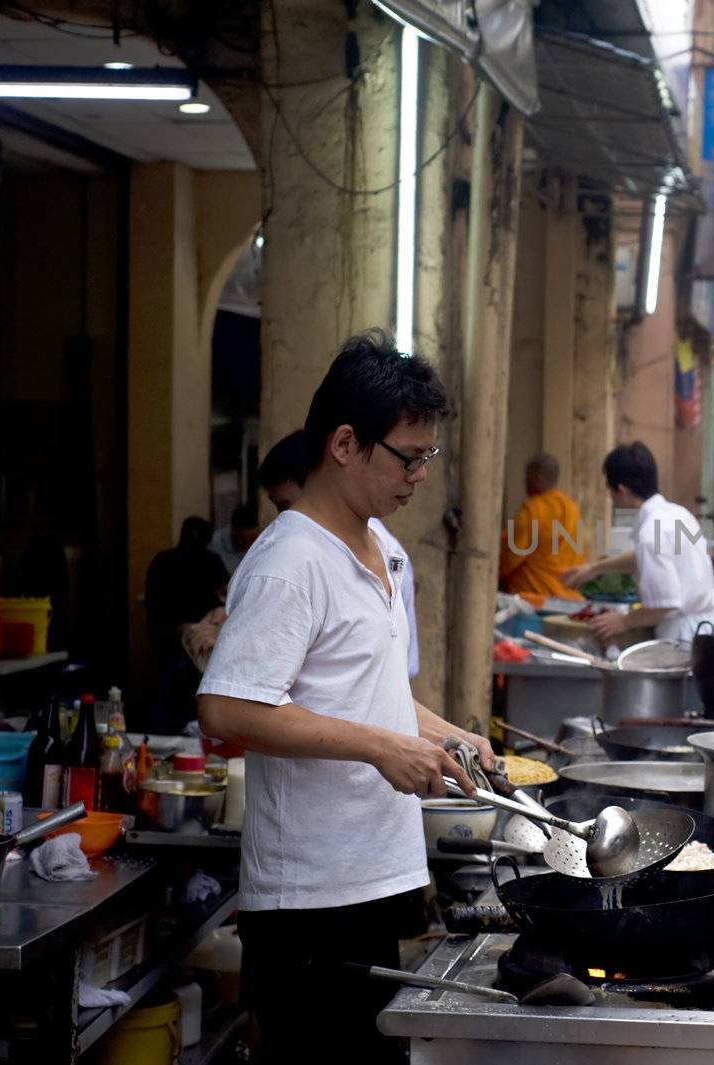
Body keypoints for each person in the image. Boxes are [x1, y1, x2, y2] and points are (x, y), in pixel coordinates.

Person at [196, 331, 494, 1064]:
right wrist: (379, 746)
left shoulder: (385, 550)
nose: (419, 474)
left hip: (372, 877)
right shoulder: (290, 562)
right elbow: (227, 708)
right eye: (407, 456)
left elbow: (377, 693)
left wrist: (449, 733)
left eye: (429, 456)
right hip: (306, 902)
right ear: (343, 443)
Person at [185, 431, 422, 680]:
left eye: (287, 506)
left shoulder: (384, 558)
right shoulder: (291, 557)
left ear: (319, 484)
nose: (284, 520)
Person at [560, 442, 714, 644]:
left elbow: (665, 604)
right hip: (711, 627)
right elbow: (645, 556)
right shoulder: (678, 514)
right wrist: (595, 568)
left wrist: (624, 621)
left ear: (621, 490)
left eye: (610, 491)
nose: (610, 497)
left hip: (685, 639)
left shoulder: (651, 532)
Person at [144, 516, 230, 734]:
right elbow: (229, 595)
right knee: (195, 708)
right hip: (201, 645)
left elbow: (152, 604)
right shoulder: (211, 561)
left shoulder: (161, 560)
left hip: (167, 642)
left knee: (165, 706)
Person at [498, 452, 586, 602]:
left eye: (527, 476)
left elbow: (512, 556)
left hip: (534, 598)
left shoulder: (533, 510)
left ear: (537, 478)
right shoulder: (573, 509)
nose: (525, 481)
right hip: (568, 598)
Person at [210, 505, 261, 576]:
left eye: (253, 539)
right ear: (233, 532)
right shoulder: (214, 545)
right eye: (245, 539)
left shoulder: (262, 543)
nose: (250, 544)